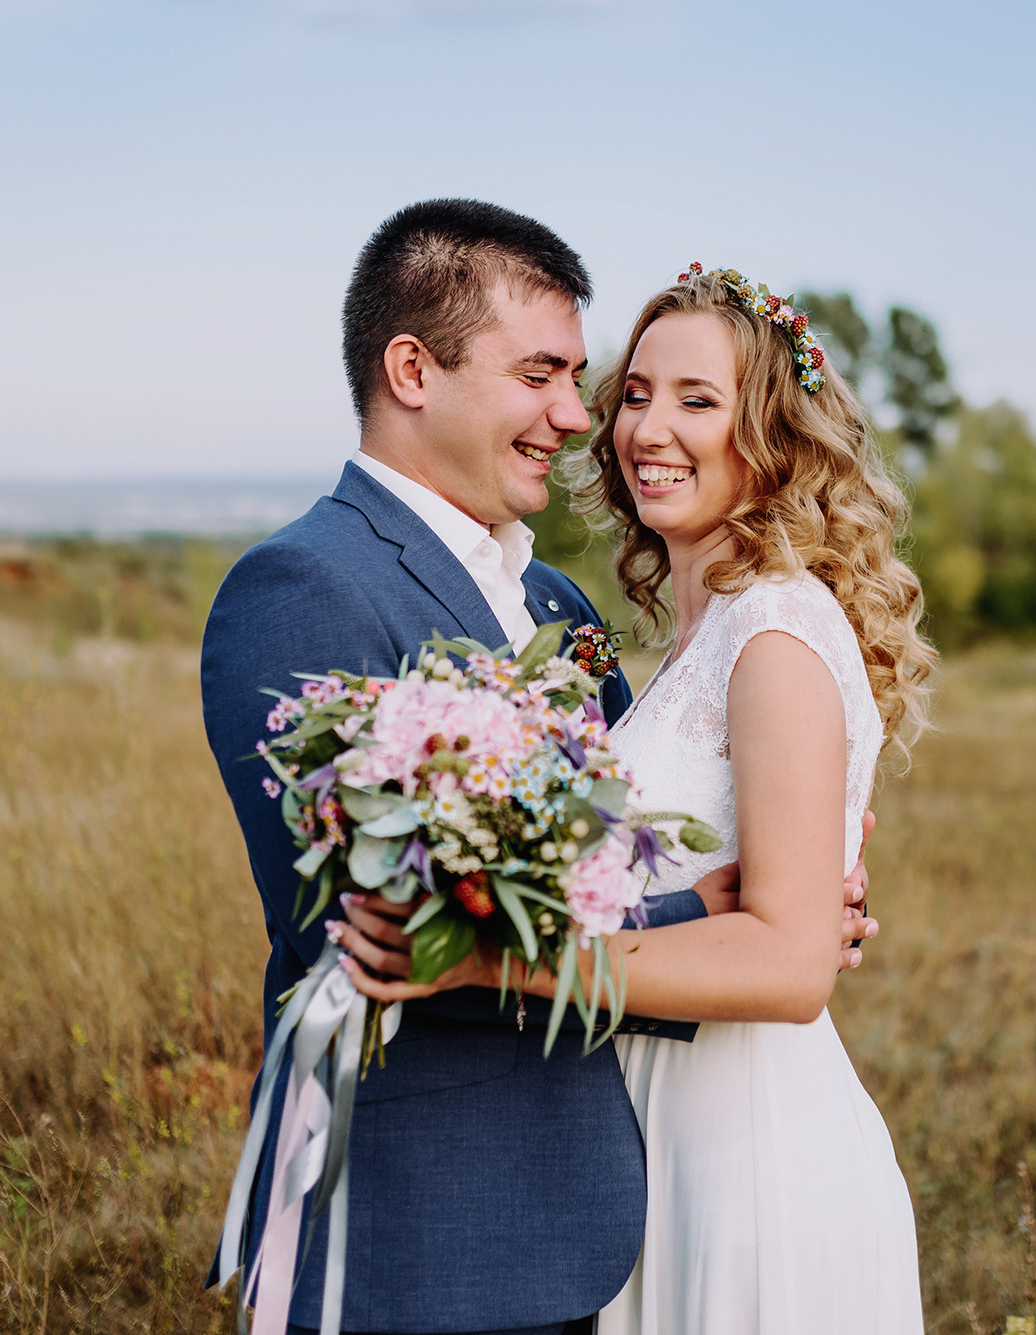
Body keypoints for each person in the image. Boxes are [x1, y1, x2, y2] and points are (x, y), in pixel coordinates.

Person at [200, 200, 877, 1335]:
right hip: (429, 1240)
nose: (581, 417)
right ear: (412, 369)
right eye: (543, 376)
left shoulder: (561, 609)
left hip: (613, 1209)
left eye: (581, 382)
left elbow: (619, 847)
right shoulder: (303, 589)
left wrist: (785, 915)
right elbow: (362, 929)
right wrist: (707, 917)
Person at [335, 265, 934, 1332]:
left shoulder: (776, 636)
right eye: (637, 395)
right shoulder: (688, 638)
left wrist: (483, 959)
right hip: (647, 1146)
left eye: (698, 401)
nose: (648, 427)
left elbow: (792, 968)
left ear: (776, 438)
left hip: (748, 1163)